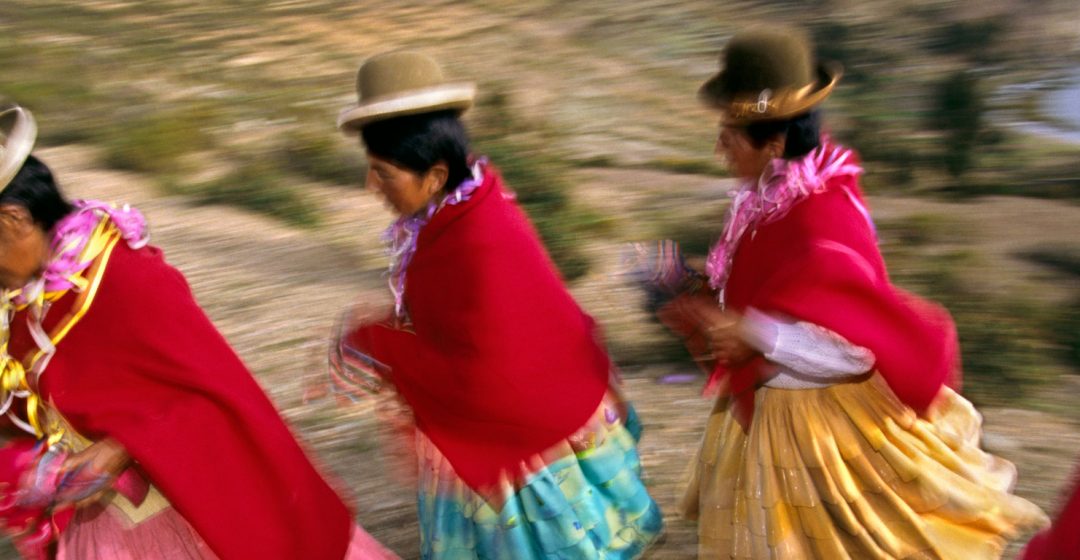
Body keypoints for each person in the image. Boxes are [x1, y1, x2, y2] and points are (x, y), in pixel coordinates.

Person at [632, 27, 1049, 558]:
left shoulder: (820, 221)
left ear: (776, 144)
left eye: (730, 136)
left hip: (820, 428)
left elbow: (851, 349)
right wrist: (690, 286)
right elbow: (767, 290)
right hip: (768, 408)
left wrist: (754, 332)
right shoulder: (767, 199)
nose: (718, 148)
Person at [0, 104, 396, 559]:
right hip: (102, 523)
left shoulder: (128, 278)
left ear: (14, 219)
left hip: (183, 514)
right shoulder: (25, 299)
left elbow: (212, 391)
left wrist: (119, 449)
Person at [330, 51, 663, 559]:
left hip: (520, 425)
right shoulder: (463, 209)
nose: (371, 186)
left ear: (435, 175)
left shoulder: (475, 239)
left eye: (383, 173)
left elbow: (486, 373)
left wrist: (374, 342)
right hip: (541, 400)